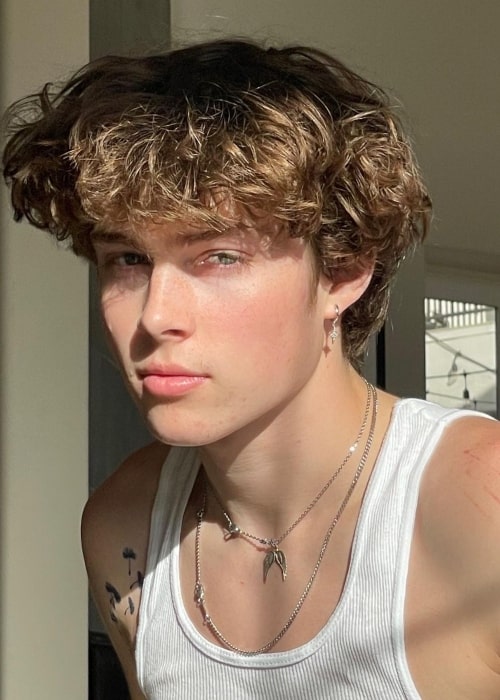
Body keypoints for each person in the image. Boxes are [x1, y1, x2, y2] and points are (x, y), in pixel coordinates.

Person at [3, 38, 500, 700]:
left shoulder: (478, 503)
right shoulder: (124, 524)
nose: (156, 316)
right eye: (128, 259)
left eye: (219, 256)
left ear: (343, 270)